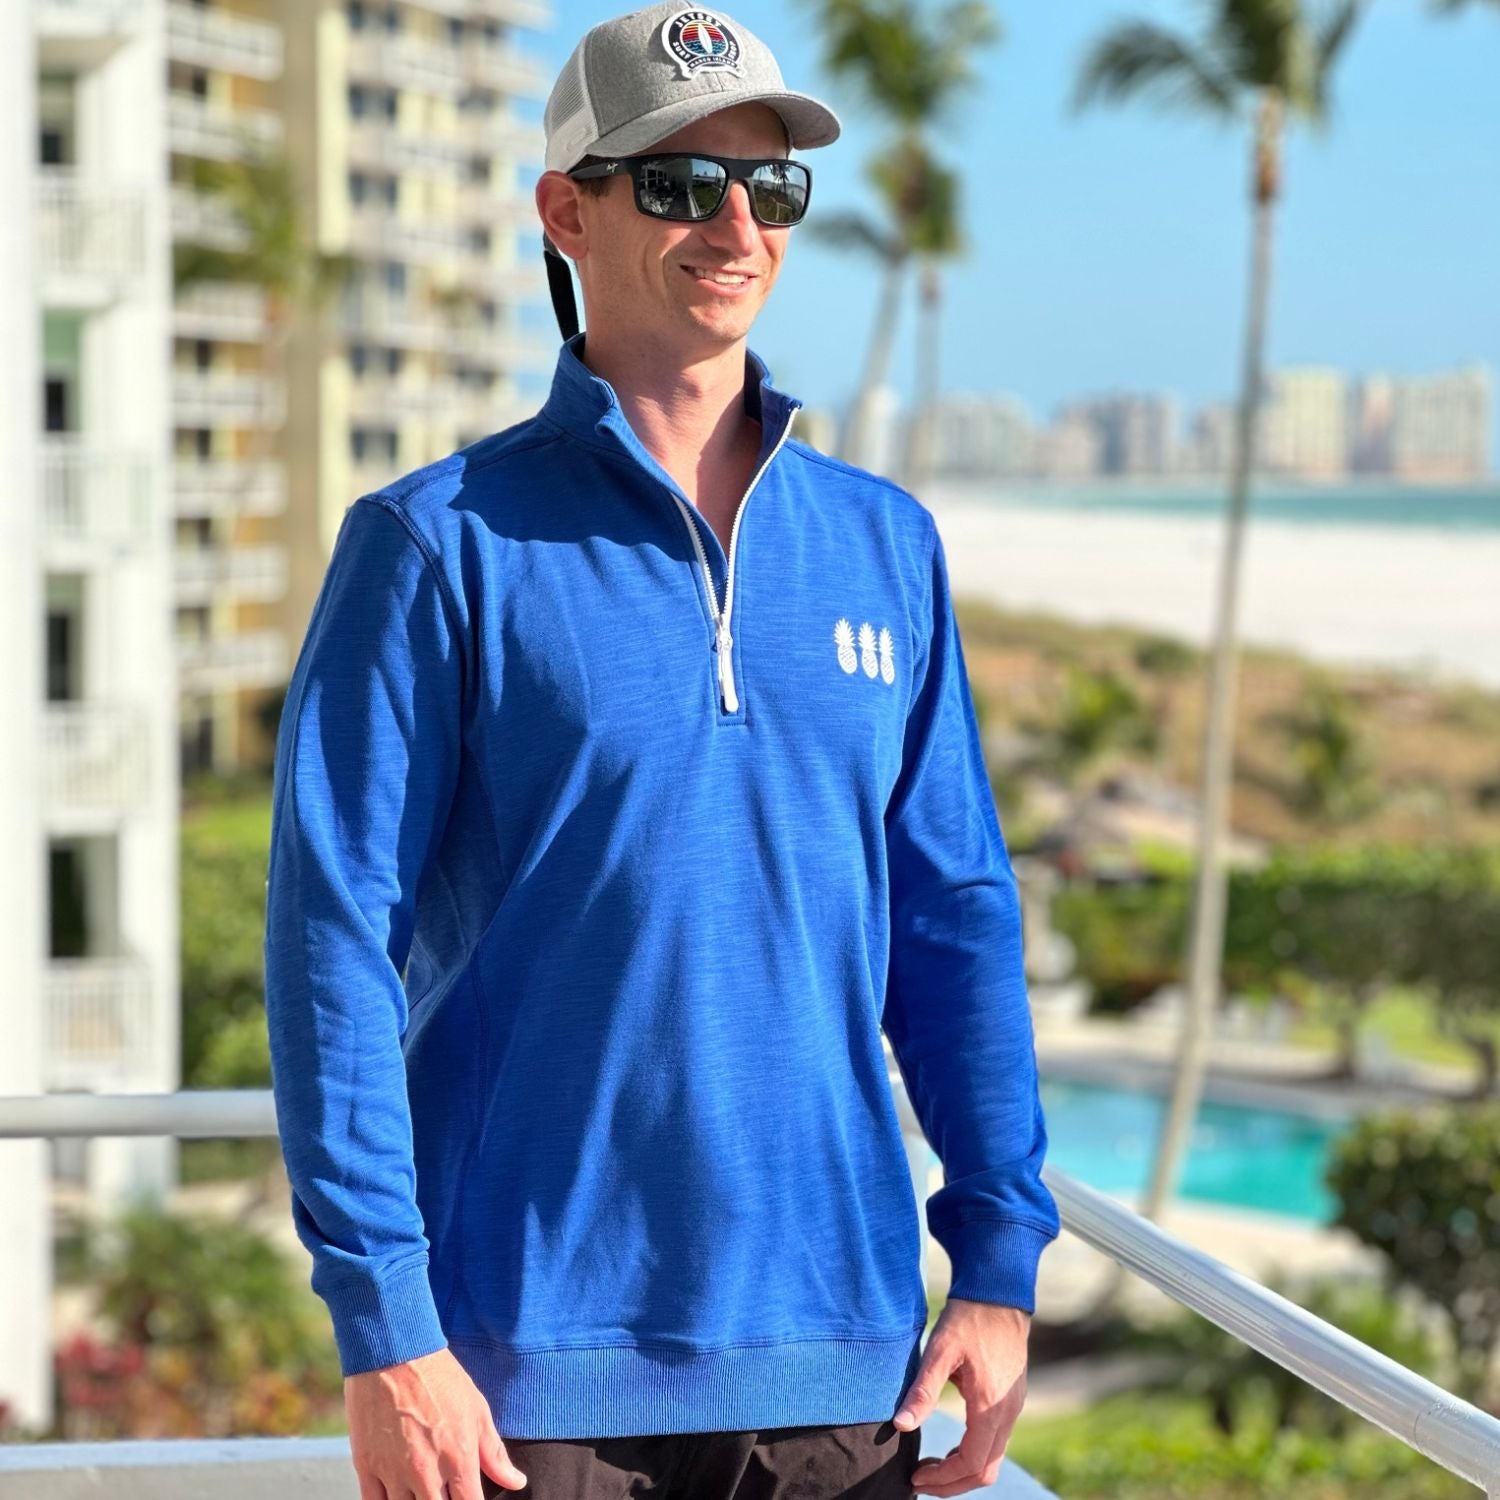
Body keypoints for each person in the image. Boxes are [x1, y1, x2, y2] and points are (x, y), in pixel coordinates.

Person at [261, 4, 1061, 1498]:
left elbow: (955, 922)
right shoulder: (436, 548)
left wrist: (1000, 1259)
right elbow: (330, 950)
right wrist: (386, 1331)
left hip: (850, 1364)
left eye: (771, 185)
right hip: (523, 1381)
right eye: (680, 184)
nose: (736, 223)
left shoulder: (884, 547)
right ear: (566, 211)